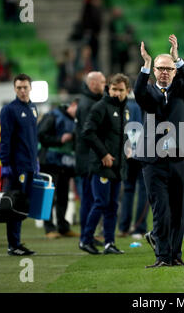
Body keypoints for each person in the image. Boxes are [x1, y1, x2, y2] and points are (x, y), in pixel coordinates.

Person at [135, 35, 184, 268]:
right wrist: (146, 64)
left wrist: (177, 56)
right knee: (161, 211)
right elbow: (138, 91)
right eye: (161, 68)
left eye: (169, 68)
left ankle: (176, 256)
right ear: (155, 71)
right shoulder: (148, 93)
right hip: (153, 160)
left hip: (179, 159)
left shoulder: (182, 91)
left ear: (175, 71)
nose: (165, 72)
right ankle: (162, 256)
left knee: (179, 210)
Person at [79, 73, 130, 255]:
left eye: (120, 90)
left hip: (117, 166)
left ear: (127, 91)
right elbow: (88, 132)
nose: (116, 93)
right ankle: (85, 240)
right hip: (102, 165)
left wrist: (127, 149)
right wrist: (104, 154)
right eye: (113, 89)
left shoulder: (125, 109)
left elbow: (120, 134)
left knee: (112, 206)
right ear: (108, 89)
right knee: (100, 203)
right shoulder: (101, 107)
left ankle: (109, 243)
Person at [0, 73, 38, 256]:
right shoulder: (9, 110)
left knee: (23, 205)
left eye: (25, 87)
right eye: (19, 88)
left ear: (30, 88)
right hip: (16, 167)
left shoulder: (33, 108)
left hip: (30, 165)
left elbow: (32, 139)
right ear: (15, 89)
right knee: (15, 205)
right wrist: (5, 163)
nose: (22, 91)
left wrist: (35, 160)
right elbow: (5, 139)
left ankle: (16, 242)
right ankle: (12, 245)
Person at [38, 99, 80, 239]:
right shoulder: (53, 115)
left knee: (63, 195)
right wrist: (59, 139)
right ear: (73, 104)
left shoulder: (75, 121)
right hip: (50, 161)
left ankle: (63, 226)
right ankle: (49, 227)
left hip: (66, 163)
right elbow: (41, 135)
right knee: (49, 195)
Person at [75, 71, 106, 241]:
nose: (105, 85)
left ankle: (87, 234)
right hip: (87, 159)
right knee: (88, 199)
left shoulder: (89, 101)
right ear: (92, 84)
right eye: (102, 82)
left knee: (90, 198)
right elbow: (89, 134)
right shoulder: (88, 105)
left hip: (87, 157)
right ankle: (85, 236)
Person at [117, 93, 149, 239]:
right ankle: (139, 228)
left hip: (127, 153)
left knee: (128, 189)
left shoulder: (125, 104)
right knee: (143, 190)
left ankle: (124, 227)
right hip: (142, 153)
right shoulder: (142, 103)